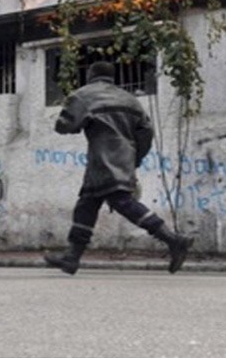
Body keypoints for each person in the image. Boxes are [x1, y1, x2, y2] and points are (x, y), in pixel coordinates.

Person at [45, 61, 192, 275]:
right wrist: (135, 158)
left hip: (102, 159)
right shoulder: (130, 100)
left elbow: (64, 126)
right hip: (124, 158)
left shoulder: (83, 95)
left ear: (91, 74)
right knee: (86, 205)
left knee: (122, 202)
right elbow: (146, 133)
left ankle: (172, 239)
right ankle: (71, 258)